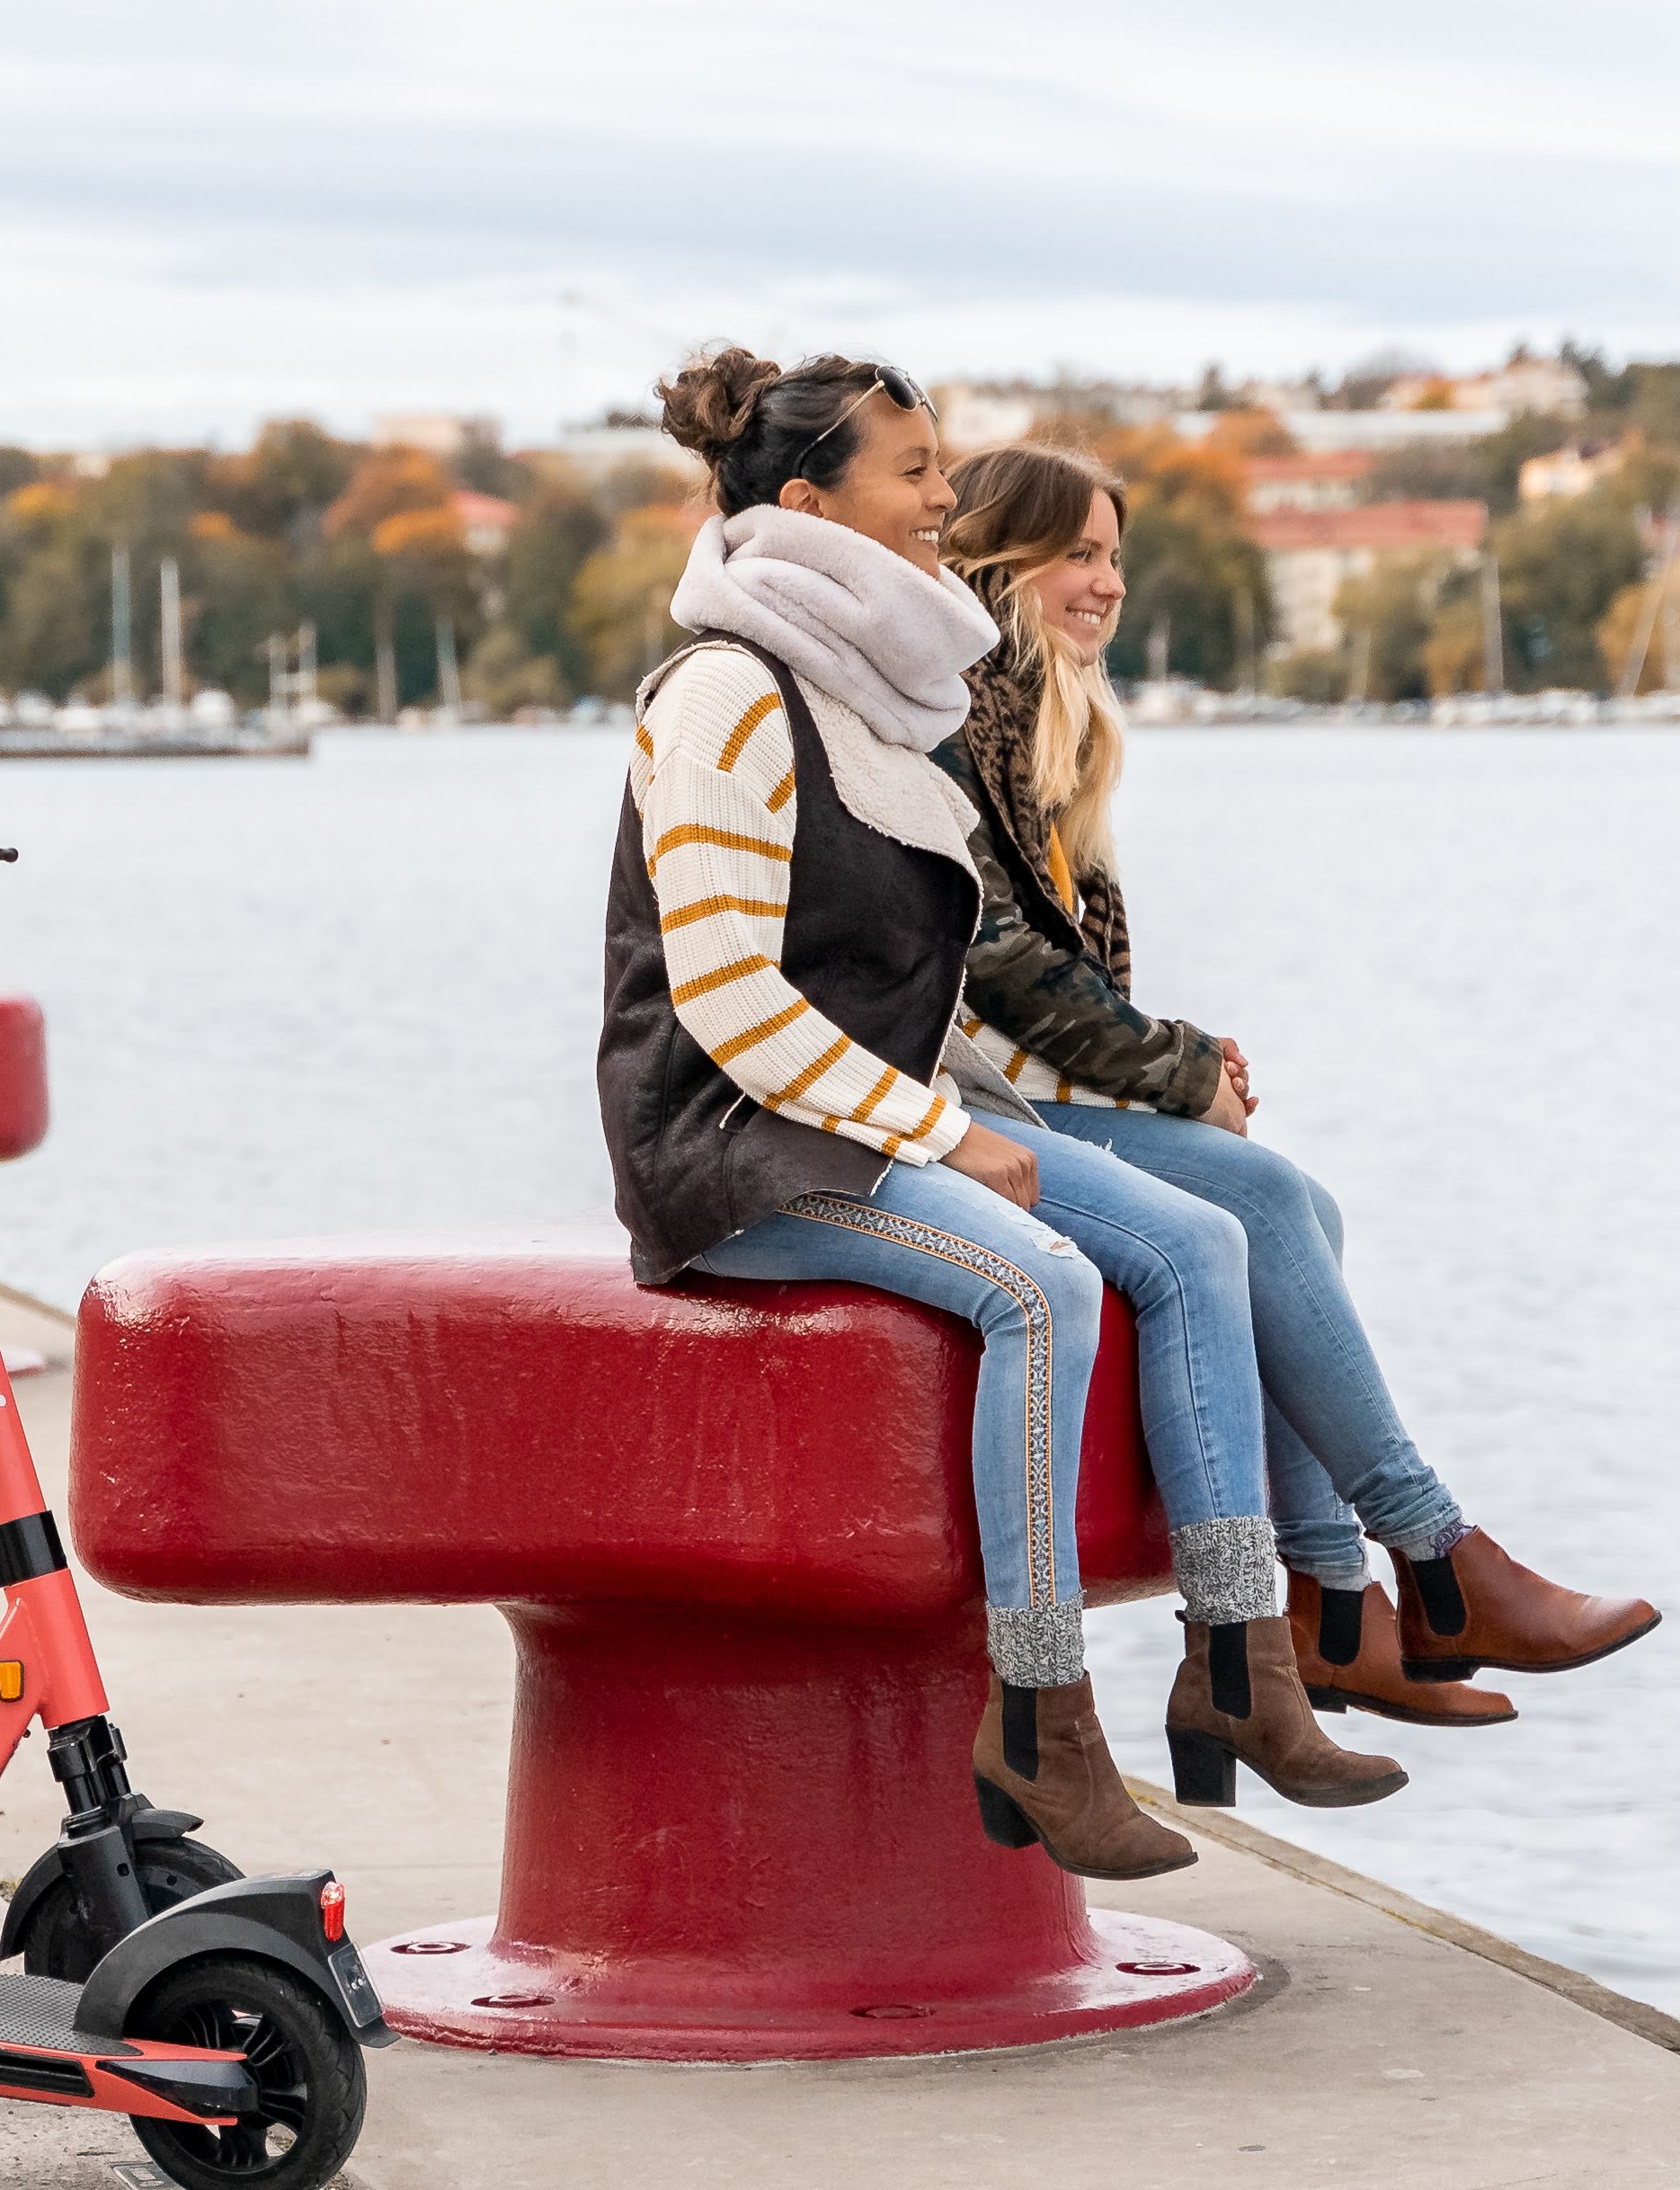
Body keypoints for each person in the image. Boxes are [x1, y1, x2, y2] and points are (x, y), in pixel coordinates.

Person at [596, 349, 1403, 1890]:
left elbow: (921, 973)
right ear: (805, 497)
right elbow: (723, 998)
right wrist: (942, 1130)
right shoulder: (726, 693)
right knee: (1042, 1284)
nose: (945, 500)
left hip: (867, 1123)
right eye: (913, 472)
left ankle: (1243, 1654)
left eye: (941, 467)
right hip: (732, 1149)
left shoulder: (874, 690)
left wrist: (999, 1100)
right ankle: (1040, 1711)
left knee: (1192, 1233)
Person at [929, 438, 1658, 1724]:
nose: (1105, 585)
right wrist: (1177, 1070)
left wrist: (1182, 1056)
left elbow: (1069, 968)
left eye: (1115, 558)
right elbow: (993, 966)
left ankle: (1337, 1608)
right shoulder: (951, 718)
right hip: (965, 1108)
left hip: (1036, 1092)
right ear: (1001, 561)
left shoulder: (1053, 724)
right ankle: (1428, 1556)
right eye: (1078, 556)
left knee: (1298, 1204)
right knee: (1263, 1205)